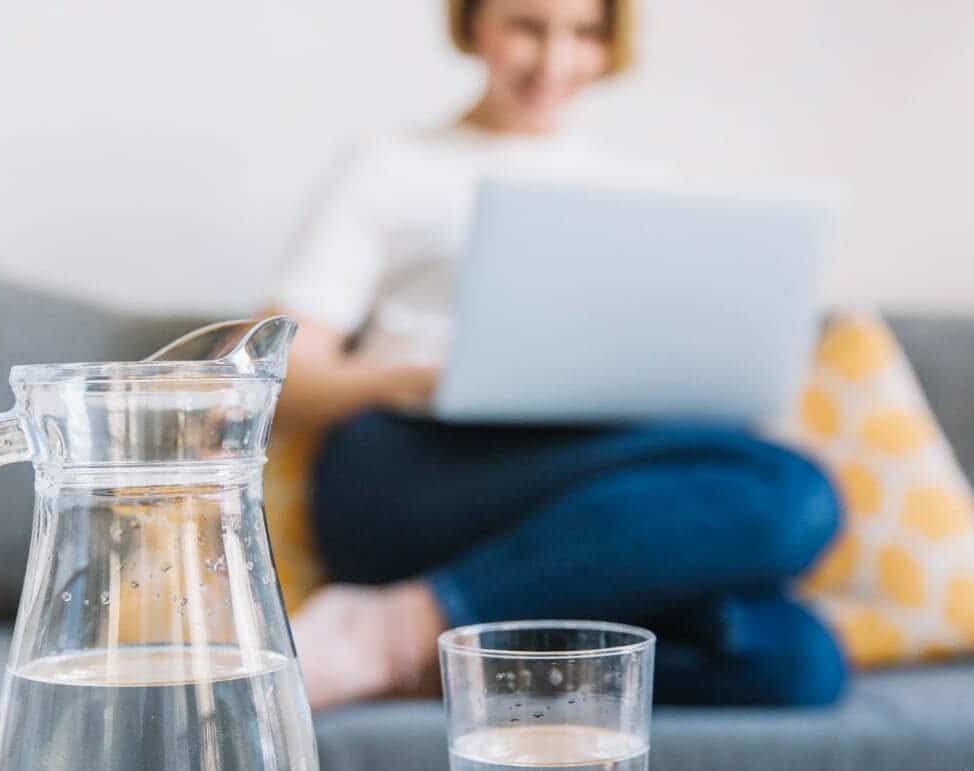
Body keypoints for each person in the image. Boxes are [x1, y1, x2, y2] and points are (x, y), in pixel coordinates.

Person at [262, 0, 848, 710]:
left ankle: (441, 652)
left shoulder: (641, 191)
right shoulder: (390, 166)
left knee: (798, 659)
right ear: (474, 23)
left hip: (584, 485)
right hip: (415, 467)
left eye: (584, 33)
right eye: (527, 28)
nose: (554, 62)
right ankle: (398, 625)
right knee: (794, 494)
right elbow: (279, 378)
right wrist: (419, 377)